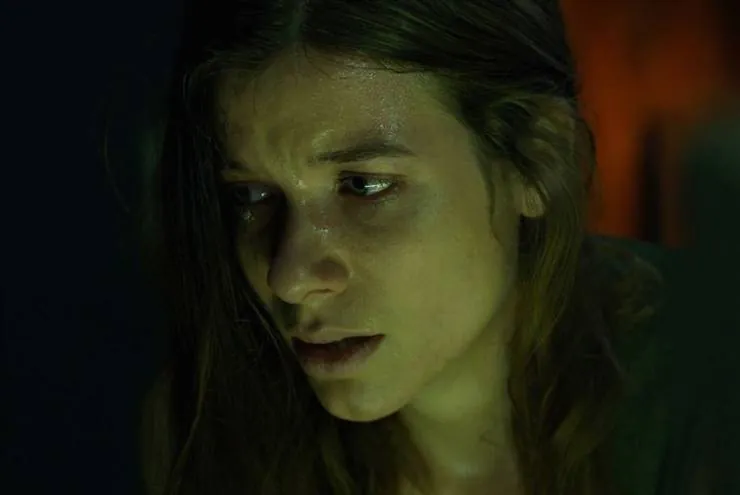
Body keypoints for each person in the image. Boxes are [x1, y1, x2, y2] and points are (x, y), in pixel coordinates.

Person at [136, 1, 739, 494]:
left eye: (364, 186)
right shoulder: (216, 432)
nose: (290, 277)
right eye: (252, 196)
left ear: (536, 158)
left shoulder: (709, 400)